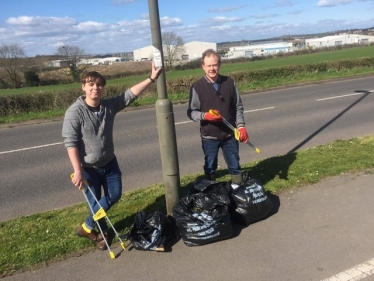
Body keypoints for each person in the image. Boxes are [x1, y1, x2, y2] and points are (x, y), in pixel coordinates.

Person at [62, 61, 162, 250]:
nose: (95, 88)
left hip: (109, 164)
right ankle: (101, 235)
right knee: (96, 204)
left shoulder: (108, 106)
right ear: (83, 87)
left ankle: (86, 227)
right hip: (88, 169)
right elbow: (70, 143)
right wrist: (77, 171)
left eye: (99, 85)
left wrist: (151, 78)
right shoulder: (75, 112)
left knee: (113, 195)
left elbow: (129, 95)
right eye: (91, 84)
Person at [187, 49, 249, 184]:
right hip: (209, 137)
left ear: (219, 64)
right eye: (208, 66)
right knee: (210, 167)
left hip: (230, 135)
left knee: (235, 166)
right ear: (203, 66)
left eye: (214, 65)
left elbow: (238, 107)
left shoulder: (230, 83)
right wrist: (206, 116)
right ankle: (211, 192)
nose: (212, 68)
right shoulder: (197, 87)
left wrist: (241, 126)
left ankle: (237, 190)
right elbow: (191, 112)